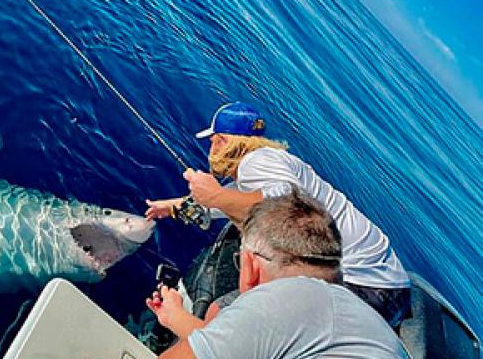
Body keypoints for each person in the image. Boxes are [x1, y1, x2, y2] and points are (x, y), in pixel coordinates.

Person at [104, 192, 434, 359]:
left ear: (248, 263)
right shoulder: (370, 325)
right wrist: (176, 319)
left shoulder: (279, 305)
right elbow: (262, 351)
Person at [146, 102, 411, 327]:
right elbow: (230, 202)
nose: (211, 151)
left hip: (363, 290)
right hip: (390, 286)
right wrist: (171, 206)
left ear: (225, 142)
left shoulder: (256, 162)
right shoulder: (270, 162)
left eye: (213, 142)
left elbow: (286, 208)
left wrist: (214, 195)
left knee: (223, 315)